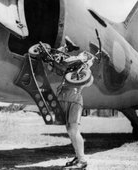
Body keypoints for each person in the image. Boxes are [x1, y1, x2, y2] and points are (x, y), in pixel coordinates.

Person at [56, 38, 94, 169]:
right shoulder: (70, 71)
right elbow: (60, 64)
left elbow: (88, 82)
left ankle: (82, 160)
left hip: (74, 101)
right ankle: (78, 157)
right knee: (70, 130)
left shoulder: (85, 73)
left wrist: (85, 66)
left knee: (73, 130)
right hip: (66, 99)